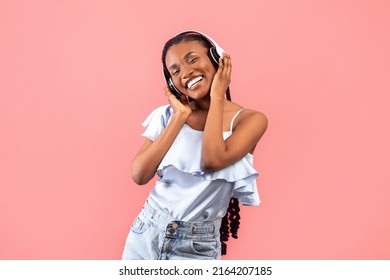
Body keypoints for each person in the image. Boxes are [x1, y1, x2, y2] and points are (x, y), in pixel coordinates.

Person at [122, 30, 268, 260]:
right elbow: (139, 174)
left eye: (192, 60)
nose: (186, 73)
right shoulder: (167, 115)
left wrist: (218, 95)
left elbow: (212, 160)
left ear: (216, 58)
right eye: (175, 70)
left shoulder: (249, 120)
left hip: (197, 246)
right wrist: (179, 116)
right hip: (147, 231)